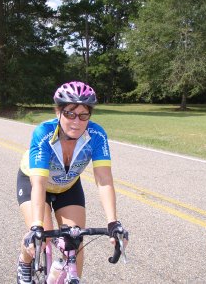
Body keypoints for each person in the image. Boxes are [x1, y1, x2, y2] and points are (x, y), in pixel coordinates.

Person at [16, 81, 128, 284]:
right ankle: (24, 262)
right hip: (34, 183)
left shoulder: (96, 135)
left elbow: (104, 180)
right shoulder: (44, 134)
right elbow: (39, 184)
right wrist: (36, 226)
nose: (77, 121)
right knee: (43, 238)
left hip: (67, 186)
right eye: (70, 113)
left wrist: (113, 222)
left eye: (84, 115)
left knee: (74, 241)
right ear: (58, 111)